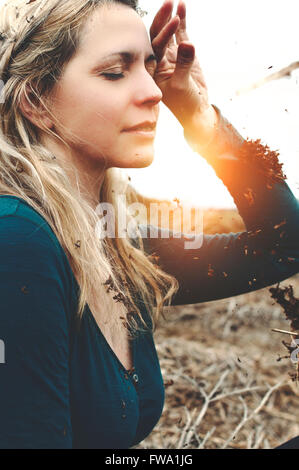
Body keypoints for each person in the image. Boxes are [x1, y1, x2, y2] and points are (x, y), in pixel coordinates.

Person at [0, 0, 298, 449]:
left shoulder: (115, 243)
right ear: (36, 101)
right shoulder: (19, 241)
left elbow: (285, 245)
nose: (155, 91)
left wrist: (201, 119)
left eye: (150, 65)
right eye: (116, 72)